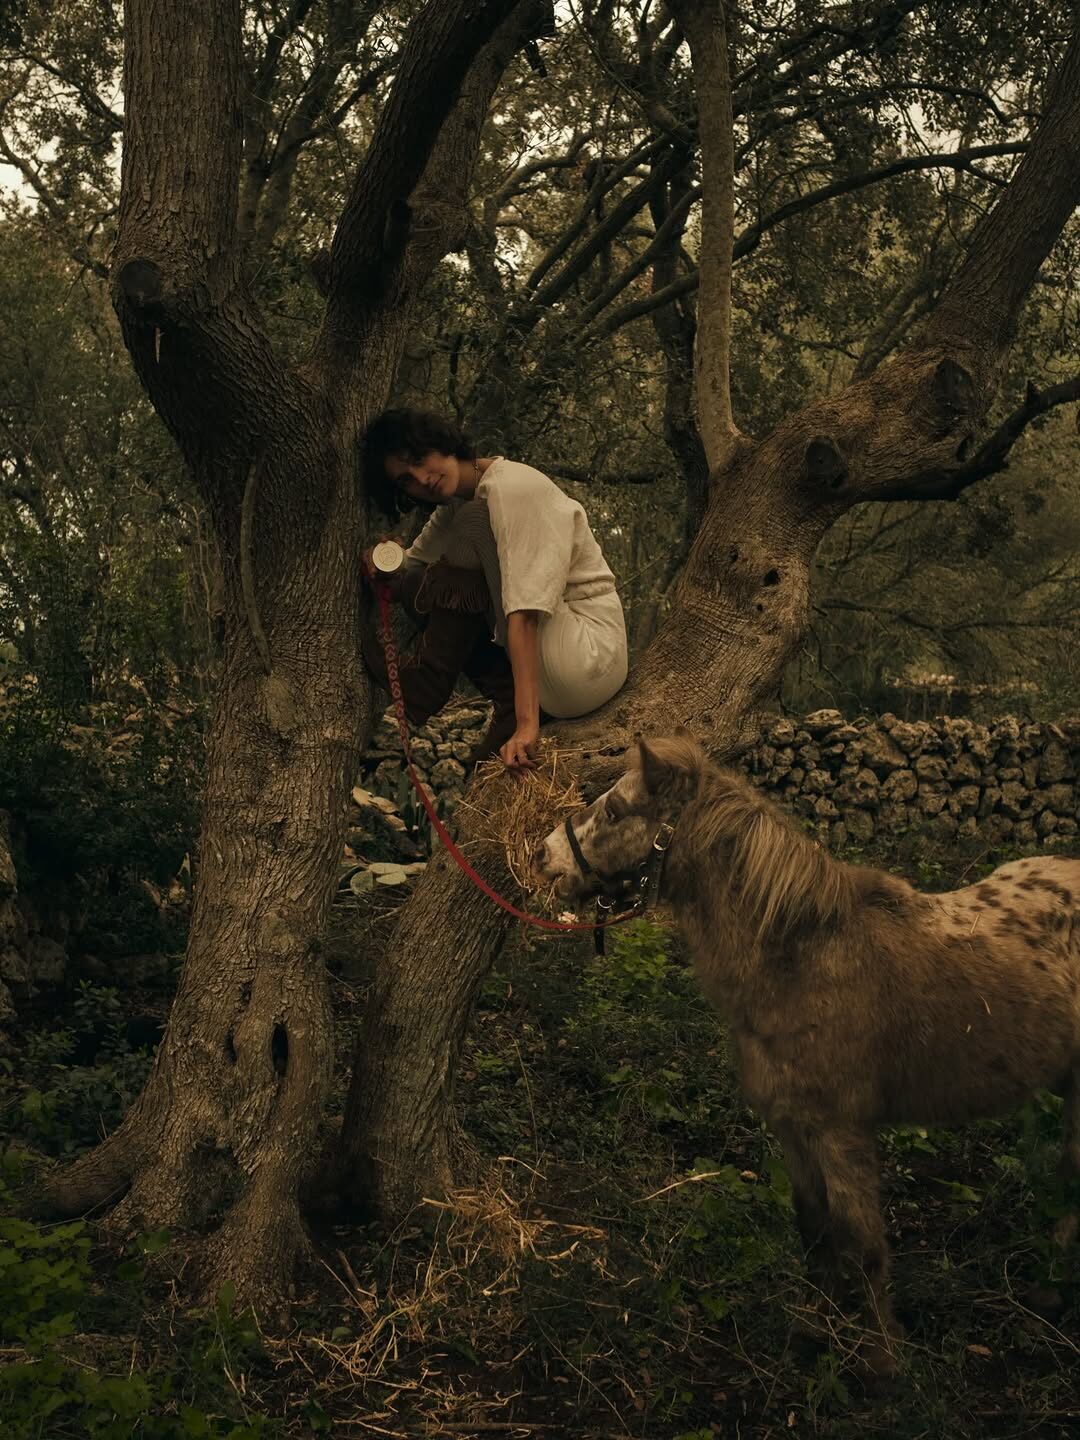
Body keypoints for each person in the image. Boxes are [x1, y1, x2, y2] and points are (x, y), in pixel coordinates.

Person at [361, 407, 628, 772]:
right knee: (416, 581)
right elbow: (412, 566)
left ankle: (428, 682)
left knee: (473, 523)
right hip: (556, 672)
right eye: (406, 480)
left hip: (586, 658)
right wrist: (382, 559)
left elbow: (525, 611)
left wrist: (527, 726)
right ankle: (505, 699)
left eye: (419, 459)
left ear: (439, 441)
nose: (422, 478)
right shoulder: (460, 504)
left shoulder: (511, 488)